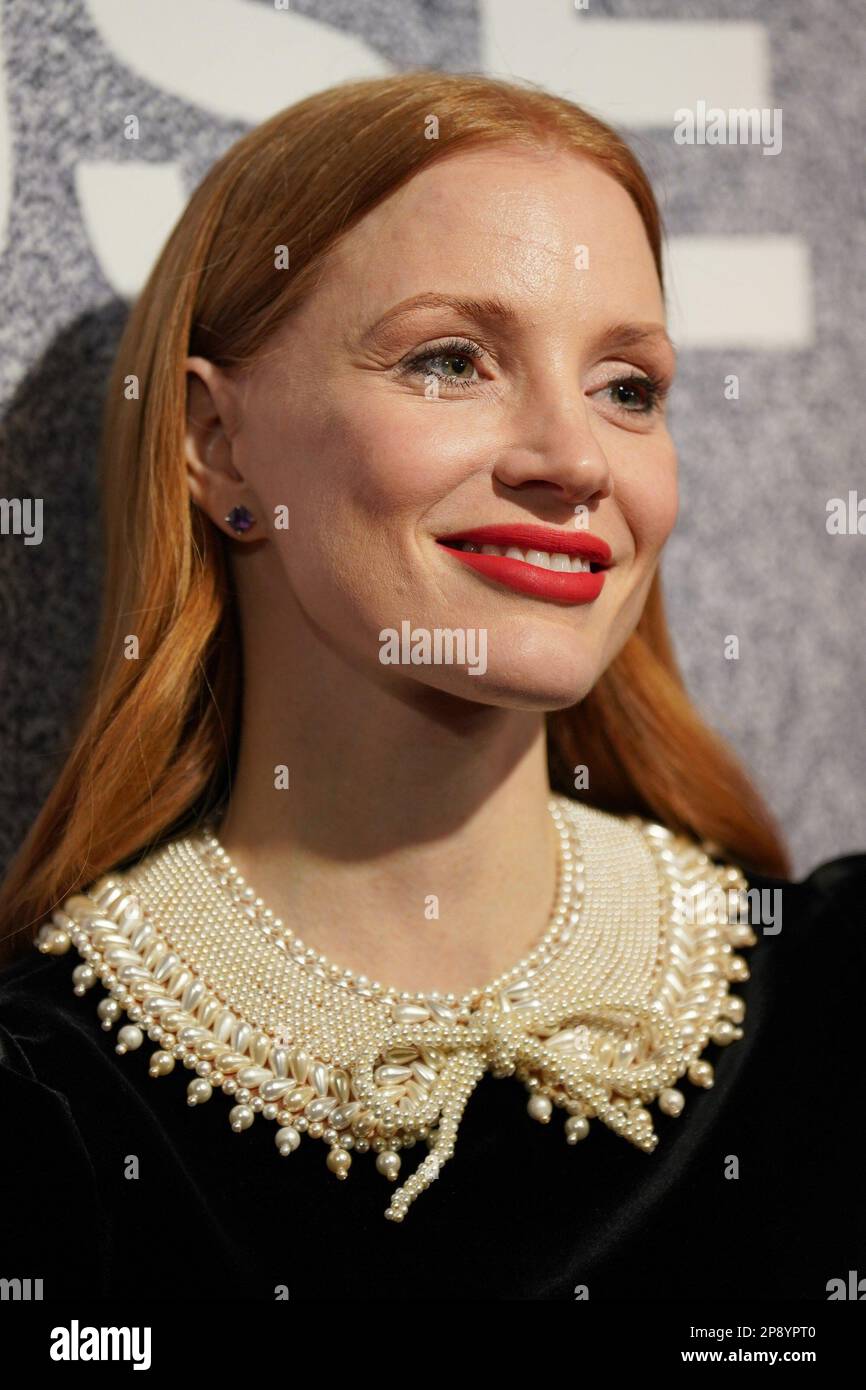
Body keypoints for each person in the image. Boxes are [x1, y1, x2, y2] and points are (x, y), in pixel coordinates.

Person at [0, 71, 862, 1302]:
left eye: (627, 387)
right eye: (452, 360)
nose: (573, 460)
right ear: (215, 444)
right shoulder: (48, 1111)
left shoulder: (834, 998)